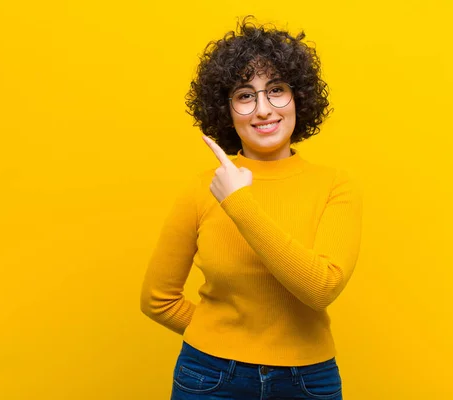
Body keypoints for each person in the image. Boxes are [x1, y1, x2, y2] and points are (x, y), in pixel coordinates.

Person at [140, 15, 362, 400]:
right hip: (209, 377)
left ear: (299, 97)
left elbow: (322, 288)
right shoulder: (201, 189)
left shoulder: (334, 185)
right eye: (245, 95)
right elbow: (157, 299)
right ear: (226, 110)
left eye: (276, 90)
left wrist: (239, 203)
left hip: (308, 381)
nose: (263, 109)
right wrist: (221, 338)